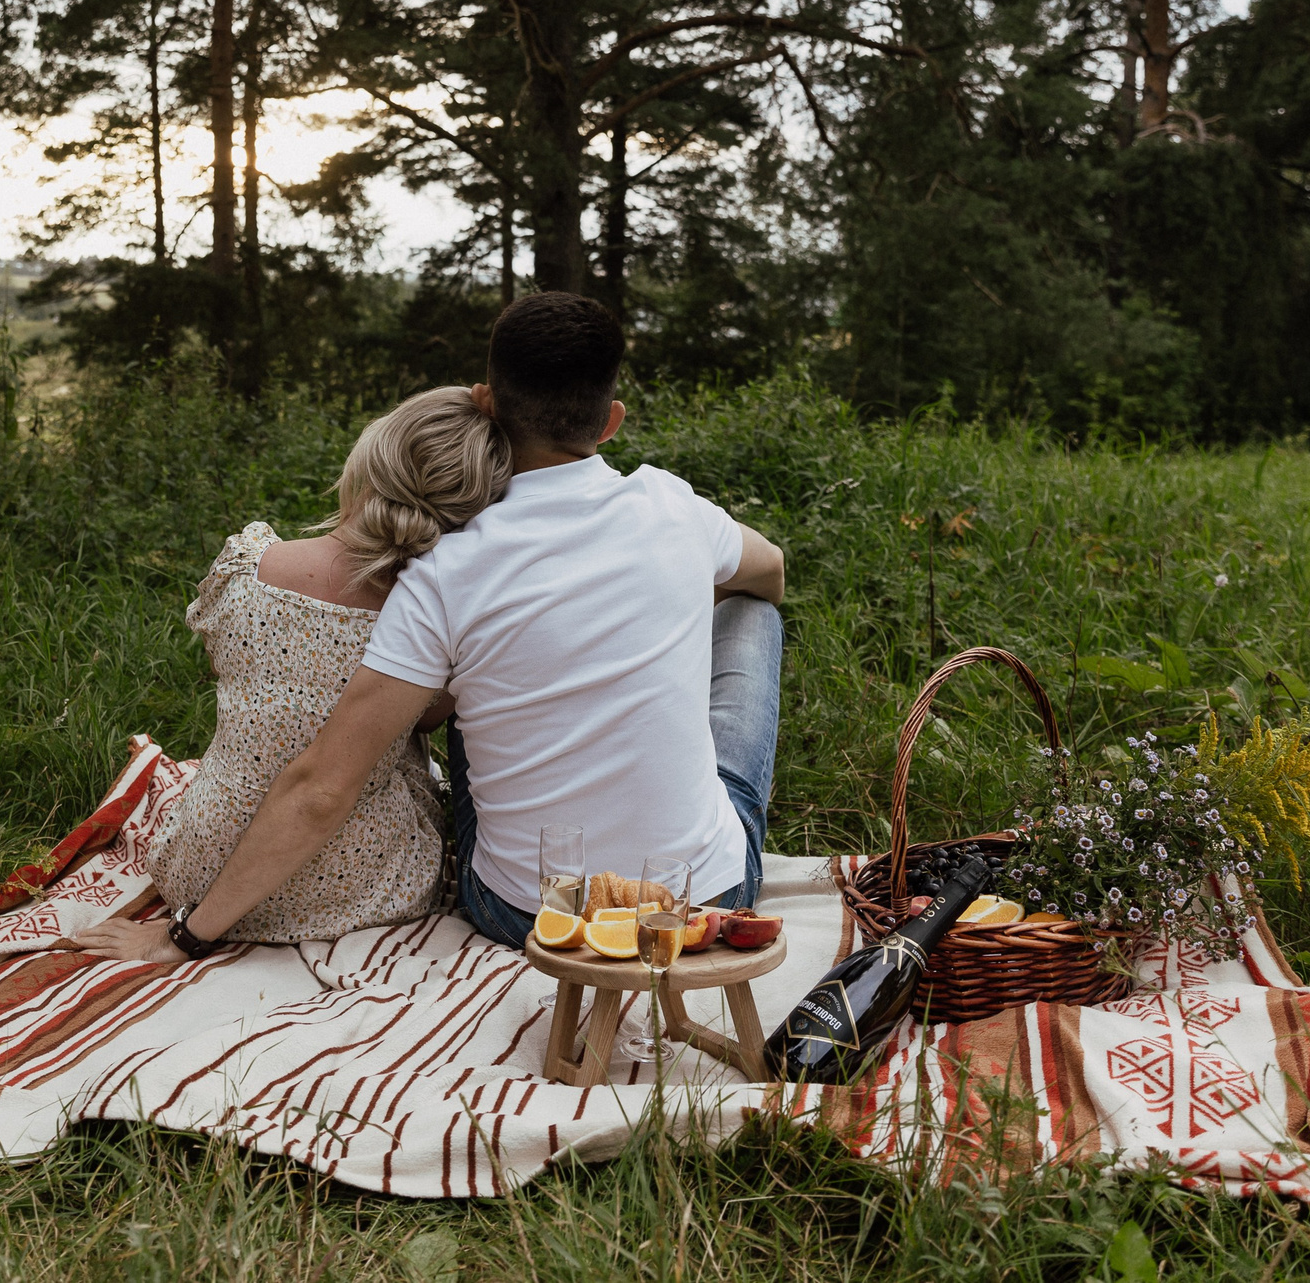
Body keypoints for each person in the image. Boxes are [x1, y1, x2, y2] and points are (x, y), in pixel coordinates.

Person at [79, 291, 785, 964]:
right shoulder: (674, 506)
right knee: (754, 607)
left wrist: (187, 936)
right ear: (611, 421)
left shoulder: (446, 568)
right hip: (697, 898)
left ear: (487, 402)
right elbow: (772, 569)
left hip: (533, 911)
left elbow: (324, 785)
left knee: (469, 683)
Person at [82, 387, 508, 949]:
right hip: (362, 890)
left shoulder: (248, 566)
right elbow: (425, 722)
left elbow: (230, 673)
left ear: (368, 462)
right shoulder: (441, 617)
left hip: (204, 867)